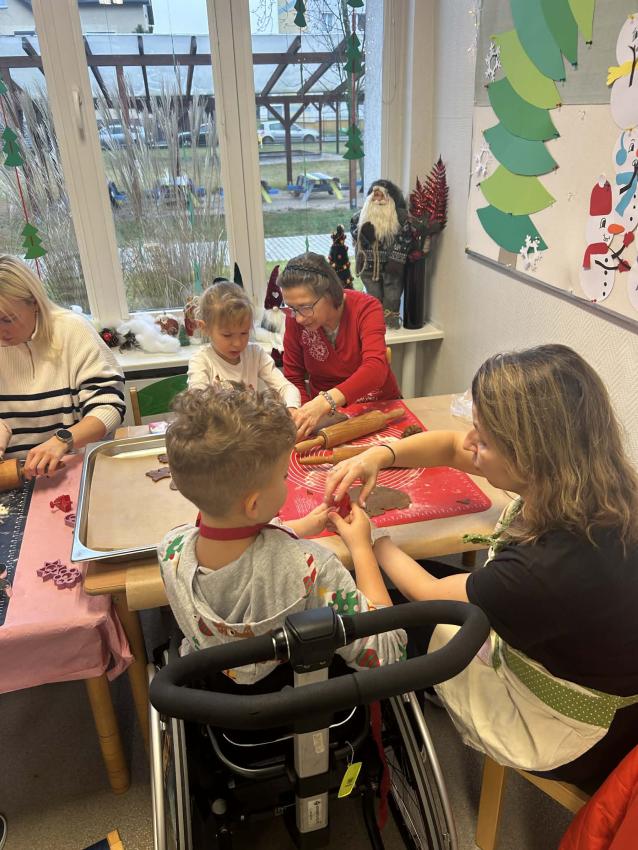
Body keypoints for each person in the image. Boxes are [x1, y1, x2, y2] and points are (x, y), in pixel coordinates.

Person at [324, 345, 638, 792]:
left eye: (485, 440)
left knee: (392, 617)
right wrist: (380, 455)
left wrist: (371, 544)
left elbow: (429, 594)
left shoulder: (543, 568)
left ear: (529, 456)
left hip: (578, 734)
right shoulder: (596, 481)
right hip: (591, 668)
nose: (470, 442)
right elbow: (453, 446)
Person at [158, 384, 406, 684]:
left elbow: (239, 546)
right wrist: (362, 548)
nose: (288, 481)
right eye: (284, 476)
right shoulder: (312, 569)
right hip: (299, 696)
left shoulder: (170, 549)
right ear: (254, 505)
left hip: (210, 692)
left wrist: (297, 527)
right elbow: (387, 653)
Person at [0, 255, 125, 477]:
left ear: (34, 303)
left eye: (7, 319)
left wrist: (63, 440)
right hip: (16, 476)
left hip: (75, 469)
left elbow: (108, 407)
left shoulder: (72, 331)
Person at [279, 252, 401, 439]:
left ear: (329, 293)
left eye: (305, 307)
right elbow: (293, 377)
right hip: (327, 419)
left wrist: (324, 401)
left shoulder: (366, 307)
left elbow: (376, 368)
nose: (299, 318)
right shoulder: (295, 319)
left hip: (377, 408)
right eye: (292, 308)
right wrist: (300, 413)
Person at [187, 279, 300, 409]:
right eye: (227, 335)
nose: (237, 343)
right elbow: (196, 405)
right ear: (204, 328)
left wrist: (292, 408)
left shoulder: (255, 354)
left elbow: (286, 387)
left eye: (244, 333)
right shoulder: (201, 360)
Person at [350, 180, 414, 329]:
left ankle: (390, 324)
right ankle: (374, 324)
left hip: (392, 268)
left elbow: (406, 237)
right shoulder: (359, 217)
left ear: (390, 198)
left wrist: (397, 259)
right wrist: (364, 235)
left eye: (381, 196)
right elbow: (355, 234)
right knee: (373, 297)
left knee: (392, 295)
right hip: (368, 267)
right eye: (375, 196)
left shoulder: (401, 218)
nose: (378, 200)